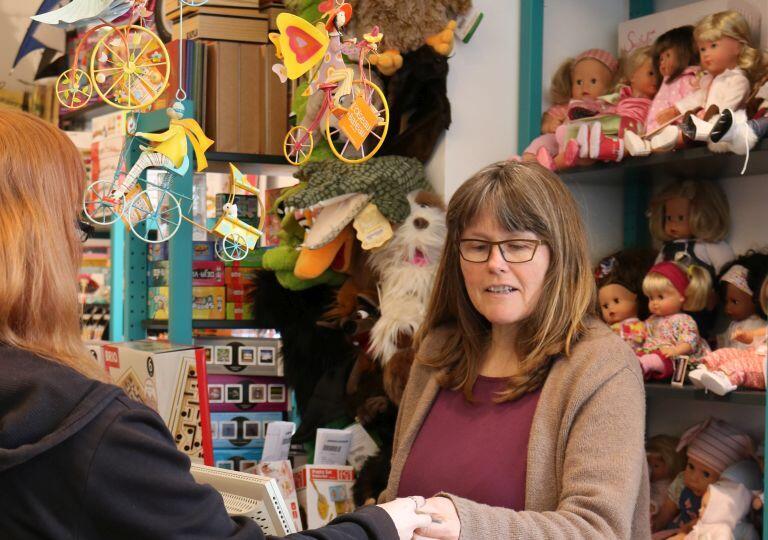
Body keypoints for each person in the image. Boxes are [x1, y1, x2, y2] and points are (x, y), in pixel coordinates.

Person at [0, 109, 430, 540]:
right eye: (75, 223)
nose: (79, 243)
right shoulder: (90, 429)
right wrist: (378, 527)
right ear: (36, 242)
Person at [379, 161, 650, 538]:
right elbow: (400, 499)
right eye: (477, 246)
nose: (495, 264)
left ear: (558, 254)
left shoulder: (601, 366)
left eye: (518, 246)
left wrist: (464, 524)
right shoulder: (437, 353)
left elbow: (598, 529)